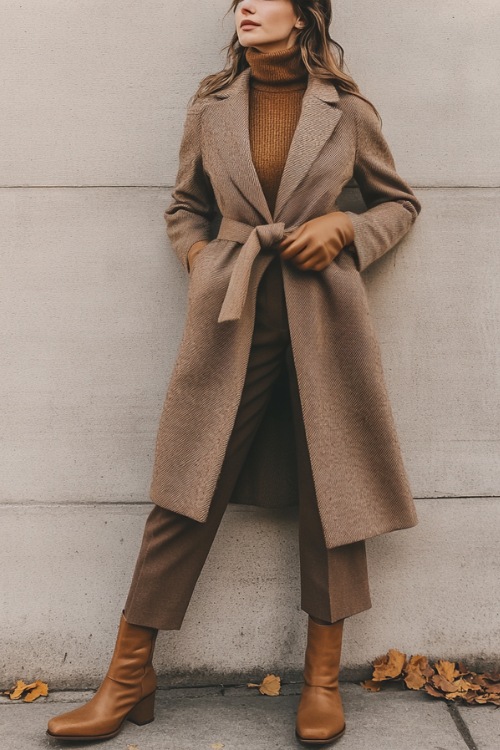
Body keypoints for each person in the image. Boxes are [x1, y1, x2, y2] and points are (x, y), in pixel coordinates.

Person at [47, 0, 421, 745]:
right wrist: (204, 260)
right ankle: (128, 677)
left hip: (325, 323)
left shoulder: (345, 110)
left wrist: (345, 226)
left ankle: (320, 682)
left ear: (305, 15)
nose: (245, 5)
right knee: (186, 490)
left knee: (332, 489)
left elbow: (399, 202)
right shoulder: (211, 106)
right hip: (234, 318)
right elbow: (185, 206)